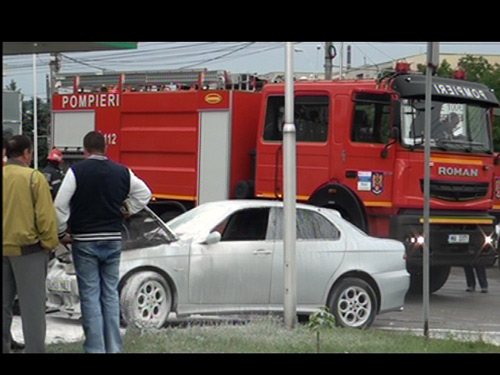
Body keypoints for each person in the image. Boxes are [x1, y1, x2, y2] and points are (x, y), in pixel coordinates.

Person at [55, 131, 151, 353]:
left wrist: (61, 233)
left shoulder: (75, 172)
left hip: (85, 240)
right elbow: (144, 193)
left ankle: (95, 348)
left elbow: (60, 206)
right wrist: (128, 209)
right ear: (105, 148)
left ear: (85, 149)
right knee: (109, 294)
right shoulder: (122, 172)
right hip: (112, 239)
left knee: (89, 296)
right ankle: (114, 347)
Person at [2, 135, 59, 353]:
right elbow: (45, 217)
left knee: (3, 307)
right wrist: (49, 243)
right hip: (28, 252)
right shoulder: (33, 178)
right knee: (32, 309)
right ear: (27, 153)